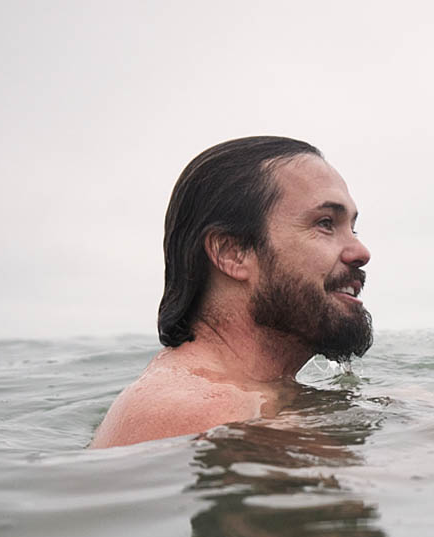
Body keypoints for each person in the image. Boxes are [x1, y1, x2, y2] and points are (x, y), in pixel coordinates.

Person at [91, 136, 374, 448]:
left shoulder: (258, 396)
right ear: (232, 253)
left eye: (353, 228)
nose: (360, 251)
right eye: (325, 223)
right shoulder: (199, 412)